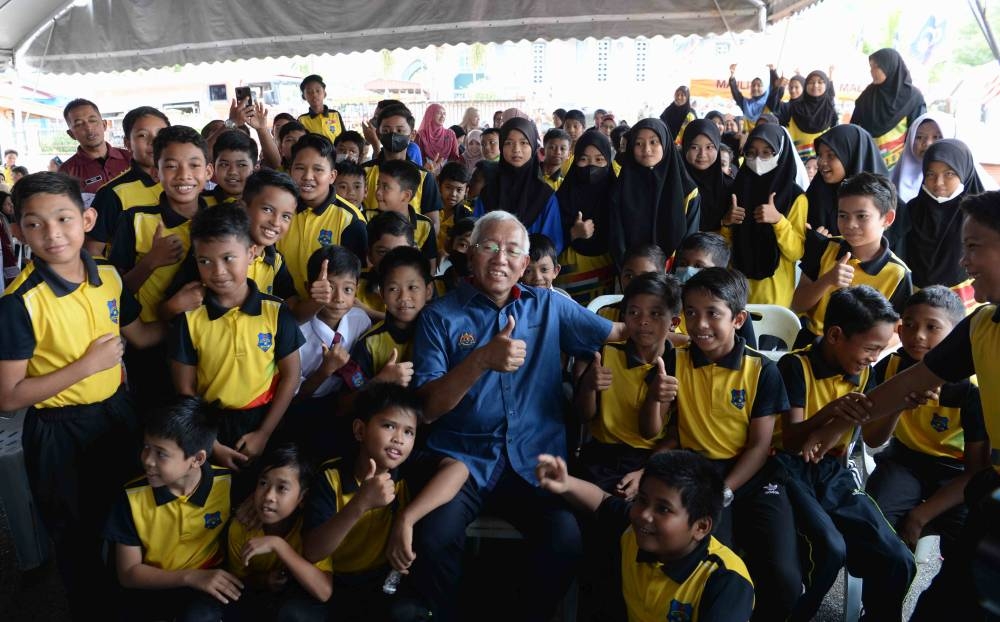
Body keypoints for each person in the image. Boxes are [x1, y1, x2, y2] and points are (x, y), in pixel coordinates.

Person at [793, 191, 1000, 621]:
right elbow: (914, 382)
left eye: (975, 247)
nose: (965, 261)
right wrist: (836, 425)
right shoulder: (982, 324)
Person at [410, 211, 626, 621]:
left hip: (535, 460)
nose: (500, 258)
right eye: (489, 247)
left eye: (511, 250)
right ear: (471, 255)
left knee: (565, 541)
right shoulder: (440, 316)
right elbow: (428, 409)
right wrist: (481, 361)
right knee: (434, 538)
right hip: (463, 460)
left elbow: (620, 334)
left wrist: (697, 339)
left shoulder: (548, 305)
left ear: (525, 265)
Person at [0, 172, 165, 618]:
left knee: (130, 518)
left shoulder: (109, 276)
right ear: (18, 231)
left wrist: (197, 312)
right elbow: (9, 396)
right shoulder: (20, 303)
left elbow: (142, 336)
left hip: (117, 414)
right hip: (59, 433)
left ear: (87, 219)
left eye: (64, 218)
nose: (52, 234)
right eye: (34, 224)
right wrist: (85, 367)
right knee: (77, 537)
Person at [775, 286, 917, 621]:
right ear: (836, 334)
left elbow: (870, 438)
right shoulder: (794, 367)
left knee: (898, 558)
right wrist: (830, 411)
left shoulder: (864, 370)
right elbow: (792, 441)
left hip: (833, 473)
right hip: (788, 471)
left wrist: (897, 407)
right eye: (870, 348)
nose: (873, 357)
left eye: (880, 350)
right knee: (828, 550)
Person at [300, 382, 469, 620]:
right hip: (331, 583)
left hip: (382, 585)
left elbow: (458, 470)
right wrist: (360, 504)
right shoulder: (332, 476)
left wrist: (406, 519)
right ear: (360, 430)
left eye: (408, 431)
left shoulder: (406, 469)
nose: (399, 439)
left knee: (410, 612)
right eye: (389, 426)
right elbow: (313, 551)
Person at [536, 450, 754, 622]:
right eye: (641, 500)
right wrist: (566, 484)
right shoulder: (635, 530)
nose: (643, 514)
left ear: (701, 527)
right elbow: (602, 501)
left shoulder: (726, 581)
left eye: (664, 509)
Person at [170, 204, 305, 473]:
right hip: (209, 425)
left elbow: (291, 376)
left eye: (228, 258)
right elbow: (185, 390)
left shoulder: (276, 312)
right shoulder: (189, 319)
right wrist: (211, 443)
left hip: (265, 419)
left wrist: (264, 433)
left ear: (251, 253)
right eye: (204, 261)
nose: (217, 271)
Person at [862, 286, 987, 558]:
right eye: (909, 324)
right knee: (873, 522)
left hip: (955, 475)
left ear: (955, 335)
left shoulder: (970, 389)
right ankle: (883, 598)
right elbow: (872, 439)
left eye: (932, 327)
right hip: (904, 462)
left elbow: (975, 472)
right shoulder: (890, 368)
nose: (918, 335)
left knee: (970, 541)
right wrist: (898, 405)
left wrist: (920, 516)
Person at [105, 398, 239, 622]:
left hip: (206, 584)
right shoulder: (131, 497)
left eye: (161, 453)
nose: (147, 460)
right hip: (151, 584)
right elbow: (128, 574)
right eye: (146, 447)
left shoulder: (227, 484)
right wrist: (189, 577)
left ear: (197, 459)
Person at [575, 272, 680, 493]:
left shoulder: (679, 365)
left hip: (651, 458)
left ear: (674, 322)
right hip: (602, 454)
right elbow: (585, 415)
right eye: (634, 312)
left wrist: (654, 397)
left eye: (655, 313)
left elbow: (652, 432)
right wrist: (589, 386)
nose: (643, 321)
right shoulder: (607, 353)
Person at [792, 172, 910, 347]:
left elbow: (899, 332)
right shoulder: (824, 248)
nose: (850, 224)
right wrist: (827, 280)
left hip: (862, 356)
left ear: (887, 218)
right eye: (843, 215)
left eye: (861, 216)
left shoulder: (898, 273)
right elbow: (797, 304)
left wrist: (862, 346)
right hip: (811, 346)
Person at [225, 443, 333, 620]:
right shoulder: (242, 527)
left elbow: (324, 591)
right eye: (263, 483)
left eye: (282, 488)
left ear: (302, 498)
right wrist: (264, 580)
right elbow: (237, 581)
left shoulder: (311, 528)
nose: (268, 496)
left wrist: (278, 545)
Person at [286, 244, 371, 457]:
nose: (339, 298)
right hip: (305, 410)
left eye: (348, 289)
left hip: (346, 404)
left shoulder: (360, 321)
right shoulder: (297, 334)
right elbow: (293, 398)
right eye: (329, 288)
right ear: (309, 288)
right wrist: (326, 369)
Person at [723, 123, 807, 307]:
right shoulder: (737, 189)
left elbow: (797, 252)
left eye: (767, 152)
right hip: (736, 294)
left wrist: (778, 220)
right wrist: (727, 223)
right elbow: (725, 247)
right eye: (751, 152)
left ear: (781, 154)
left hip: (774, 299)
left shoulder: (795, 197)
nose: (758, 159)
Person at [279, 133, 368, 303]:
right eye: (300, 168)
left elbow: (355, 282)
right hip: (283, 310)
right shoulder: (281, 211)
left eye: (318, 169)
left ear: (332, 176)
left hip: (331, 315)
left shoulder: (351, 221)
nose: (307, 176)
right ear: (290, 170)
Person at [609, 118, 700, 270]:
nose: (646, 149)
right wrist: (630, 272)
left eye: (653, 142)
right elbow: (616, 239)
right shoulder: (621, 188)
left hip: (673, 276)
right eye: (638, 143)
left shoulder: (688, 191)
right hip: (632, 274)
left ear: (665, 144)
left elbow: (689, 241)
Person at [905, 138, 987, 307]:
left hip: (968, 305)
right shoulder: (912, 210)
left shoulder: (981, 215)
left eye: (949, 174)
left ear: (964, 172)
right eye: (930, 174)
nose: (938, 183)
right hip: (918, 305)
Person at [88, 105, 170, 256]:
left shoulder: (184, 184)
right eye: (142, 135)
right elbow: (93, 252)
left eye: (161, 133)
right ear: (127, 143)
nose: (153, 141)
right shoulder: (111, 194)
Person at [474, 117, 565, 253]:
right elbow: (476, 241)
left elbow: (553, 245)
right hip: (492, 268)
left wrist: (523, 262)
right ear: (501, 146)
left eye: (524, 143)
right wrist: (494, 255)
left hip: (531, 270)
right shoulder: (488, 193)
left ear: (533, 146)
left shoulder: (544, 196)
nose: (516, 149)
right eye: (509, 143)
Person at [348, 246, 433, 390]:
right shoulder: (369, 343)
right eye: (393, 289)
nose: (404, 297)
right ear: (382, 293)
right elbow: (344, 404)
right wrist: (380, 381)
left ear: (428, 291)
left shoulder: (441, 334)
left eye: (412, 287)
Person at [553, 129, 616, 303]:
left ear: (608, 162)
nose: (591, 167)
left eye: (599, 159)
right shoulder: (559, 200)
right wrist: (573, 233)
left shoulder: (619, 199)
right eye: (583, 159)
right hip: (567, 285)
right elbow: (547, 242)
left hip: (608, 288)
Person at [362, 104, 444, 233]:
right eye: (386, 130)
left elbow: (433, 223)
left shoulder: (425, 177)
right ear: (378, 133)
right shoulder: (364, 172)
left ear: (412, 135)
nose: (393, 135)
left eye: (400, 131)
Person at [805, 123, 888, 236]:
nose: (821, 162)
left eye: (831, 155)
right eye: (819, 155)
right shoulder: (815, 195)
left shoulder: (885, 205)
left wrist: (830, 246)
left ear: (852, 156)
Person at [850, 48, 926, 170]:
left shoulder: (912, 98)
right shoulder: (868, 95)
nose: (872, 71)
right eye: (871, 67)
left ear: (889, 67)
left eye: (876, 67)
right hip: (867, 161)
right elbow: (854, 126)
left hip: (898, 166)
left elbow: (917, 133)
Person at [58, 98, 131, 204]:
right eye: (79, 124)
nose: (88, 128)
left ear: (104, 125)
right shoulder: (67, 172)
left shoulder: (131, 158)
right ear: (71, 134)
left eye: (92, 120)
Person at [372, 159, 438, 271]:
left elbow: (430, 269)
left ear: (406, 196)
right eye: (378, 184)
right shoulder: (367, 218)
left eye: (386, 187)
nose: (378, 192)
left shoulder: (425, 226)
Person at [355, 210, 415, 321]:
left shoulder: (422, 287)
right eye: (383, 252)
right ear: (369, 255)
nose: (392, 260)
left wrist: (367, 312)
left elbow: (417, 323)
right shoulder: (355, 285)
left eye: (400, 251)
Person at [681, 118, 733, 232]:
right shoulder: (676, 183)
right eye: (694, 147)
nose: (702, 154)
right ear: (685, 148)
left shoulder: (729, 187)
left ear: (717, 147)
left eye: (709, 147)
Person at [780, 70, 839, 161]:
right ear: (805, 85)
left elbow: (836, 139)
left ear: (826, 85)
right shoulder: (792, 108)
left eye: (820, 82)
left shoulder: (831, 111)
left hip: (823, 165)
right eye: (811, 82)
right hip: (794, 163)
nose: (815, 85)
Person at [205, 129, 257, 205]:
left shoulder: (264, 203)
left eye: (241, 165)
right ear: (213, 168)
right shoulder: (201, 204)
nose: (232, 172)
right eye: (224, 165)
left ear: (254, 168)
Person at [435, 162, 473, 257]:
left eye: (459, 190)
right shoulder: (430, 208)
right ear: (439, 185)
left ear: (466, 191)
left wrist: (448, 254)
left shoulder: (466, 215)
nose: (453, 194)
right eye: (448, 187)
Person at [296, 74, 345, 144]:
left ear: (324, 93)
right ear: (304, 96)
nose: (314, 95)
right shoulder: (302, 120)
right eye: (309, 92)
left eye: (318, 90)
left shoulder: (335, 114)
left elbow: (345, 138)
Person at [521, 232, 569, 297]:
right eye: (528, 271)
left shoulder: (565, 302)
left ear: (555, 271)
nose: (538, 278)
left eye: (544, 269)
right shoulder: (513, 304)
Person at [728, 64, 771, 133]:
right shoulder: (745, 104)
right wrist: (732, 76)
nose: (755, 88)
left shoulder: (769, 103)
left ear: (764, 88)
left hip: (765, 136)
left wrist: (772, 72)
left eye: (759, 85)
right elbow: (736, 93)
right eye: (753, 85)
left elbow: (774, 89)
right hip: (748, 138)